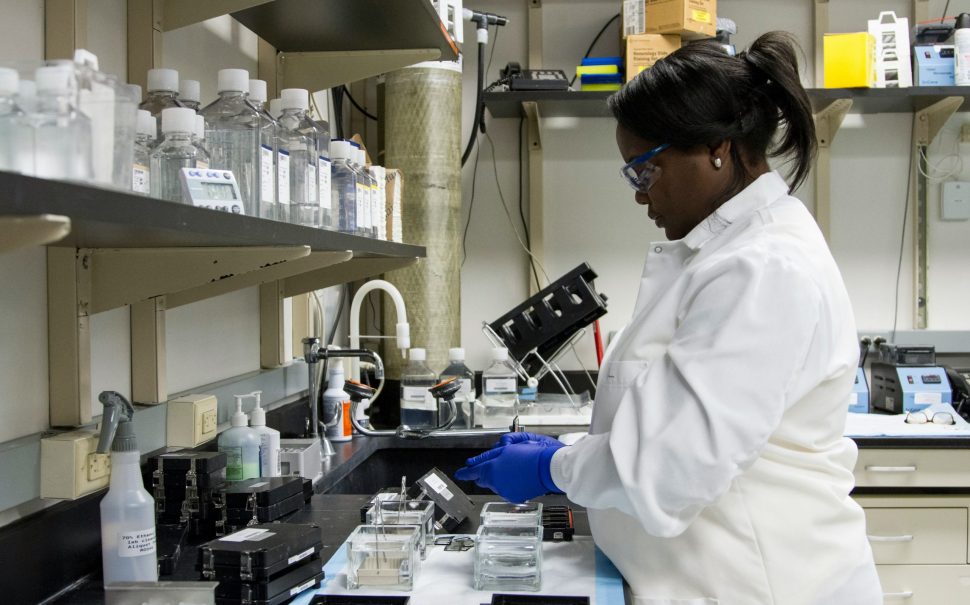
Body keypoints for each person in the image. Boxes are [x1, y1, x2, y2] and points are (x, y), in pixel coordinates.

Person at [455, 31, 882, 604]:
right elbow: (673, 417)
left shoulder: (763, 268)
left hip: (762, 583)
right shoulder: (725, 256)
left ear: (717, 150)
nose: (639, 194)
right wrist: (584, 448)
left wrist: (554, 467)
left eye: (644, 170)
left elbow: (667, 468)